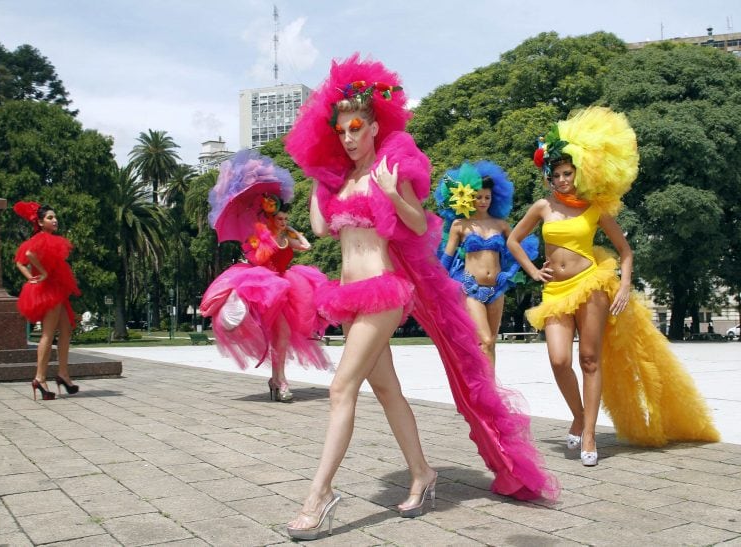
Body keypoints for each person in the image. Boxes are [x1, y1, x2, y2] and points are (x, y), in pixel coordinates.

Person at [284, 54, 557, 540]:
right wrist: (315, 182)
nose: (347, 138)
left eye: (354, 128)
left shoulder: (391, 168)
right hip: (348, 294)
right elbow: (324, 230)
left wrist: (392, 194)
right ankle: (422, 473)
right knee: (386, 390)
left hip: (385, 290)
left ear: (372, 126)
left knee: (340, 389)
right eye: (339, 131)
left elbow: (416, 225)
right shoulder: (340, 181)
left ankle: (319, 494)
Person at [507, 106, 719, 466]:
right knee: (559, 360)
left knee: (589, 359)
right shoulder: (542, 206)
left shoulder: (594, 208)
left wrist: (623, 287)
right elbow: (513, 240)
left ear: (579, 173)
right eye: (556, 174)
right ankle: (577, 414)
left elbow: (625, 251)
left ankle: (589, 433)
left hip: (592, 284)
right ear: (549, 177)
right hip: (556, 290)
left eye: (568, 173)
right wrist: (532, 270)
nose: (562, 180)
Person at [199, 150, 331, 402]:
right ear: (271, 216)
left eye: (285, 218)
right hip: (264, 288)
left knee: (280, 336)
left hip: (286, 289)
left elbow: (306, 246)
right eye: (280, 218)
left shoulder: (286, 235)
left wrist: (290, 230)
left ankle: (278, 379)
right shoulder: (259, 235)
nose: (283, 221)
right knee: (271, 334)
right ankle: (277, 379)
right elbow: (256, 259)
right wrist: (265, 240)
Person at [436, 161, 538, 370]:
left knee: (491, 343)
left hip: (497, 288)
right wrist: (435, 284)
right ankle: (485, 393)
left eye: (487, 197)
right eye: (478, 197)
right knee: (485, 340)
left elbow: (518, 249)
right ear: (468, 197)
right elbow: (447, 258)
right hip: (470, 288)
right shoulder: (459, 225)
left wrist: (519, 272)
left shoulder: (501, 225)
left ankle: (489, 395)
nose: (483, 201)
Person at [13, 201, 81, 400]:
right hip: (50, 290)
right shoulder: (42, 239)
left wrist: (30, 276)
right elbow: (27, 255)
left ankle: (63, 374)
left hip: (56, 289)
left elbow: (19, 262)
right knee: (48, 334)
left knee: (66, 329)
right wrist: (40, 274)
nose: (55, 220)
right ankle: (40, 378)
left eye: (55, 216)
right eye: (50, 217)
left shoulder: (42, 238)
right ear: (41, 223)